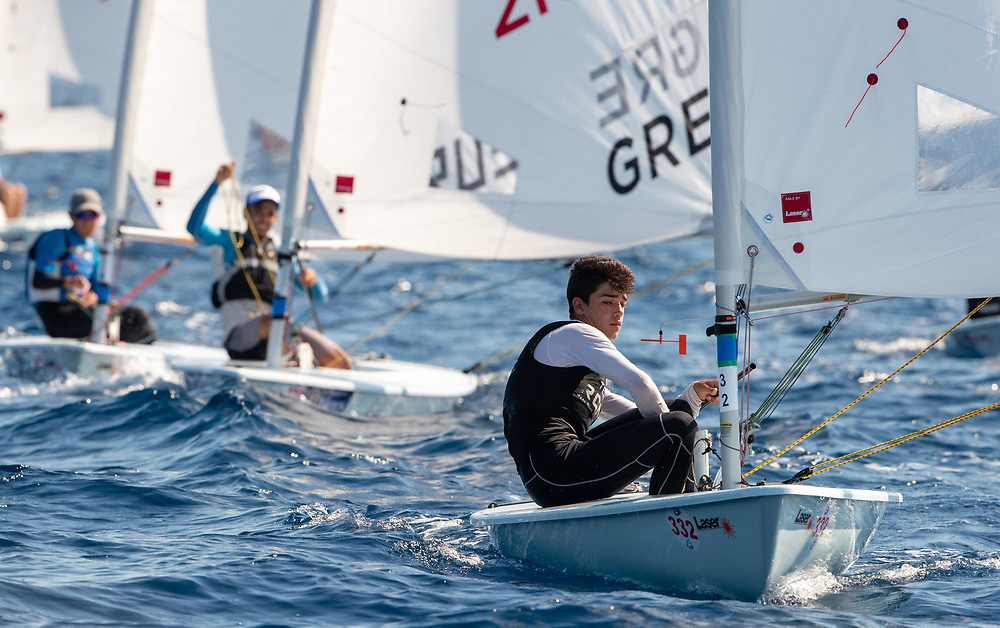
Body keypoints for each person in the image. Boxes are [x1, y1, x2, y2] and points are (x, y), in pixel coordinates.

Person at [502, 255, 719, 508]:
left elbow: (638, 416)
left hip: (551, 477)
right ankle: (673, 515)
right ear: (579, 306)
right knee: (676, 425)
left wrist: (690, 398)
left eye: (623, 304)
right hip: (554, 474)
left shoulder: (570, 360)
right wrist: (669, 431)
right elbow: (641, 384)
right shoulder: (575, 334)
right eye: (608, 302)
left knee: (674, 413)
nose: (618, 311)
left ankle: (678, 501)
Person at [187, 162, 351, 368]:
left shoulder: (282, 255)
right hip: (239, 342)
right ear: (246, 213)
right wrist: (216, 184)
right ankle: (291, 358)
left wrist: (312, 281)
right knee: (276, 321)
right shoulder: (230, 242)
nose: (263, 218)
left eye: (270, 213)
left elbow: (320, 298)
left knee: (338, 360)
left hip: (276, 335)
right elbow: (194, 227)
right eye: (258, 211)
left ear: (276, 218)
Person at [26, 188, 156, 343]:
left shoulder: (93, 249)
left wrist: (95, 298)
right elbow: (38, 281)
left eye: (93, 215)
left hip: (83, 311)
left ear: (99, 217)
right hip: (55, 312)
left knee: (139, 320)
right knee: (100, 322)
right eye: (82, 215)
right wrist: (68, 282)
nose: (88, 221)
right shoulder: (56, 240)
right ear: (71, 216)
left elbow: (95, 288)